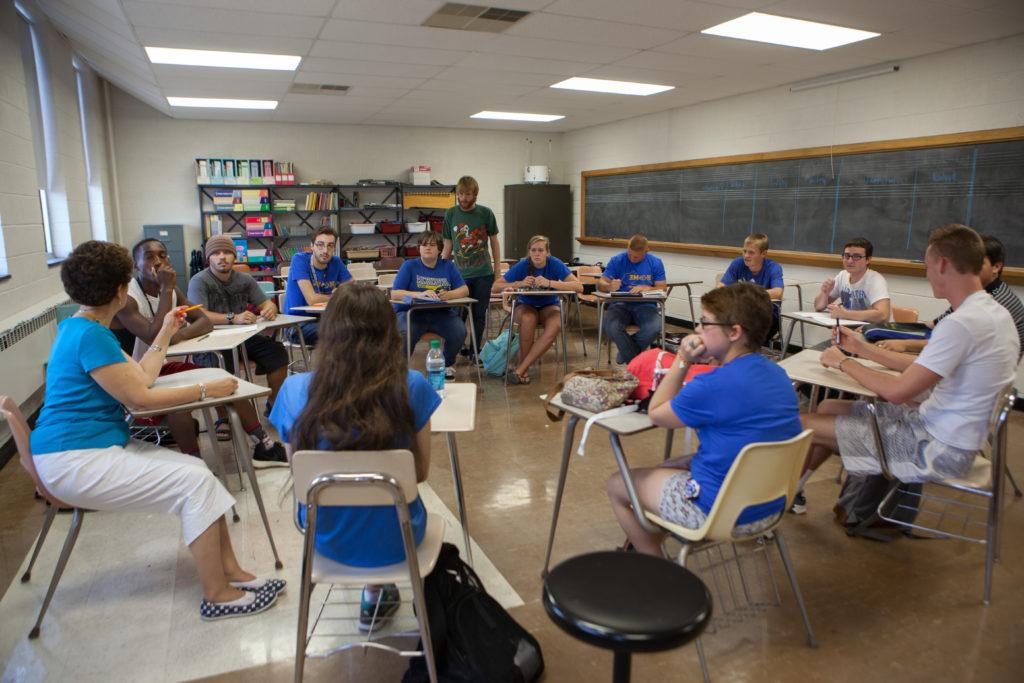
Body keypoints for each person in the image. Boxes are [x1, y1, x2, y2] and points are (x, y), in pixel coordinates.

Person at [30, 240, 284, 621]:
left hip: (81, 449)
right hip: (74, 459)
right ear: (120, 289)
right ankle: (218, 594)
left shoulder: (80, 327)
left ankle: (232, 574)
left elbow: (140, 376)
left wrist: (165, 330)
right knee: (194, 483)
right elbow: (141, 401)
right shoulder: (92, 336)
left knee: (199, 473)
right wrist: (206, 390)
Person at [270, 283, 440, 631]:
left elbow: (298, 471)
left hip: (326, 537)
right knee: (389, 507)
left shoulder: (292, 390)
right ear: (390, 330)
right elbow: (419, 472)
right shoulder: (414, 385)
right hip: (401, 538)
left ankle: (372, 593)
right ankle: (376, 591)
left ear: (329, 330)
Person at [800, 225, 1019, 494]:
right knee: (828, 408)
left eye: (927, 267)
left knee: (803, 423)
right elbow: (920, 367)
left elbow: (896, 391)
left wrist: (843, 361)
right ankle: (794, 491)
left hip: (935, 448)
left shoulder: (962, 323)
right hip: (949, 434)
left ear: (943, 264)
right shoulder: (993, 313)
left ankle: (771, 506)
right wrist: (862, 348)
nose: (927, 275)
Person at [607, 283, 801, 554]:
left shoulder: (712, 384)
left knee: (618, 484)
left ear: (734, 332)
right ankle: (643, 544)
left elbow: (657, 414)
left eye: (705, 323)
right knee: (671, 465)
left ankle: (657, 568)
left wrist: (682, 360)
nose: (697, 330)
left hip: (719, 512)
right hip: (768, 505)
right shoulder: (778, 375)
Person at [114, 238, 287, 467]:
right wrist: (166, 293)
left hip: (159, 367)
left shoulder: (172, 291)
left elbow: (203, 321)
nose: (158, 262)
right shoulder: (129, 298)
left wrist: (177, 336)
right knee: (179, 402)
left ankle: (264, 446)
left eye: (163, 255)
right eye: (149, 257)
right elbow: (154, 335)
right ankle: (195, 464)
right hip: (135, 375)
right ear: (136, 266)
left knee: (226, 381)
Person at [878, 234, 1024, 360]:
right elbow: (935, 324)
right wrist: (879, 329)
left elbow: (949, 342)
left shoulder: (996, 302)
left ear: (996, 267)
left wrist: (904, 343)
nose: (968, 268)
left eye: (977, 263)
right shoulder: (978, 295)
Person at [187, 234, 289, 408]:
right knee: (217, 367)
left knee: (277, 353)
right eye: (216, 253)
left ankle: (274, 404)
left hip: (242, 338)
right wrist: (233, 318)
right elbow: (199, 314)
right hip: (211, 340)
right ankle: (224, 418)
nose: (222, 257)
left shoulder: (245, 279)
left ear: (235, 256)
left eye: (227, 252)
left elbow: (266, 303)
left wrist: (269, 309)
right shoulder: (199, 281)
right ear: (208, 258)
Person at [492, 235, 582, 384]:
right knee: (529, 318)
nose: (537, 254)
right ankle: (524, 370)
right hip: (526, 305)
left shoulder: (555, 264)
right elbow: (496, 286)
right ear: (529, 252)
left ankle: (521, 369)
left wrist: (550, 282)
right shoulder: (523, 265)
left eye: (541, 250)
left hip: (549, 306)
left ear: (548, 252)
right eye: (533, 250)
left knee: (557, 323)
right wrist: (519, 283)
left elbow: (579, 286)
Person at [392, 231, 470, 378]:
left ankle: (446, 364)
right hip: (412, 314)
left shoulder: (448, 266)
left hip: (441, 314)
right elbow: (395, 293)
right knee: (404, 333)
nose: (428, 248)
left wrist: (449, 294)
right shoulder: (409, 266)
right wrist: (419, 294)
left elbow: (464, 289)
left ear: (440, 249)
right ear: (419, 248)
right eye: (424, 245)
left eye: (432, 245)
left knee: (459, 331)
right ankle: (399, 371)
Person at [442, 175, 500, 360]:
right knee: (457, 315)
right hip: (459, 275)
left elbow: (494, 242)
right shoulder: (450, 214)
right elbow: (448, 244)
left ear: (475, 194)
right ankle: (456, 348)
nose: (464, 198)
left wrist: (497, 270)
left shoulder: (486, 213)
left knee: (479, 315)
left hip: (483, 273)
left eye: (468, 194)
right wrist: (442, 270)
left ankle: (475, 351)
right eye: (461, 194)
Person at [599, 234, 667, 364]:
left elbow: (662, 288)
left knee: (655, 327)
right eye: (630, 254)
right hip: (620, 304)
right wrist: (609, 286)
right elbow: (600, 284)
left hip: (645, 305)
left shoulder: (655, 262)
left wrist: (648, 288)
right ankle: (635, 361)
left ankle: (626, 352)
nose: (632, 258)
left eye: (636, 256)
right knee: (611, 327)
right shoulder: (617, 260)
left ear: (646, 252)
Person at [282, 226, 353, 345]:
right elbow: (312, 299)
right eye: (320, 244)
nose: (325, 250)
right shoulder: (299, 260)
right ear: (312, 246)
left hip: (326, 320)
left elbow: (352, 289)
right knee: (343, 332)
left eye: (330, 245)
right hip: (297, 325)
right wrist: (336, 295)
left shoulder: (335, 261)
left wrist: (343, 292)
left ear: (334, 247)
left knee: (361, 327)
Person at [718, 233, 784, 343]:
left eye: (751, 252)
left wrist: (748, 294)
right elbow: (721, 287)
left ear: (763, 254)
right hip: (742, 313)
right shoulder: (738, 263)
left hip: (767, 316)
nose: (746, 256)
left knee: (737, 329)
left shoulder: (773, 268)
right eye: (744, 251)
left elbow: (778, 292)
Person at [813, 237, 890, 323]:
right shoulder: (842, 275)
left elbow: (883, 315)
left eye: (856, 257)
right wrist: (824, 293)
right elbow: (818, 307)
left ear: (868, 259)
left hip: (872, 334)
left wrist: (845, 314)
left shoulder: (875, 280)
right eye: (847, 256)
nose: (850, 261)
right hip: (850, 331)